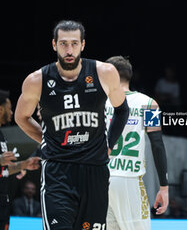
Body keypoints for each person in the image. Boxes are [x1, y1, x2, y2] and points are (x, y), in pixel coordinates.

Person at [14, 20, 129, 230]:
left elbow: (122, 110)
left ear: (83, 45)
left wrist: (109, 145)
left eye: (74, 44)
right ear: (54, 45)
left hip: (95, 171)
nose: (69, 50)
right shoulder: (36, 80)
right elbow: (21, 117)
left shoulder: (104, 72)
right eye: (63, 43)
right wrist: (46, 139)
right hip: (58, 172)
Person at [105, 56, 168, 230]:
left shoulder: (98, 103)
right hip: (129, 180)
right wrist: (164, 186)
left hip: (100, 179)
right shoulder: (149, 104)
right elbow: (157, 144)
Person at [0, 89, 41, 230]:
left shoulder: (1, 135)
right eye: (9, 109)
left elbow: (4, 169)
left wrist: (24, 164)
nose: (11, 113)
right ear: (0, 110)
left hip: (3, 202)